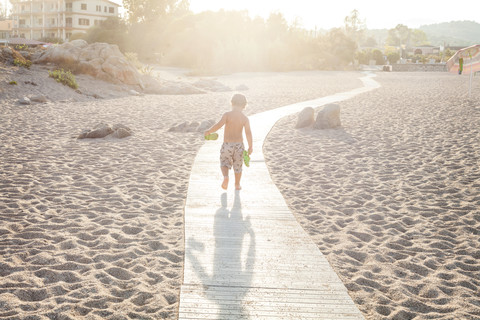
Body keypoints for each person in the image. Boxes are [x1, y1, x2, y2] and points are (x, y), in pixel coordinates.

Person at [204, 94, 253, 190]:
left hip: (227, 145)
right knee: (238, 166)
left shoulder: (227, 115)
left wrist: (209, 131)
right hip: (239, 146)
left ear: (232, 103)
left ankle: (226, 177)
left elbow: (218, 125)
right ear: (244, 106)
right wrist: (250, 146)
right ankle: (237, 184)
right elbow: (248, 133)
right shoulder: (244, 118)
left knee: (224, 163)